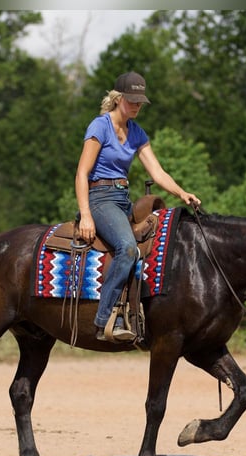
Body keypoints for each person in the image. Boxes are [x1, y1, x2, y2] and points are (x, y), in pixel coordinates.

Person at [75, 71, 201, 342]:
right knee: (128, 247)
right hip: (100, 199)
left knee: (160, 247)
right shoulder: (100, 126)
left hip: (123, 200)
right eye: (132, 100)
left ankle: (148, 316)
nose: (136, 106)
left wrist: (182, 193)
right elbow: (82, 173)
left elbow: (157, 172)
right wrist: (86, 214)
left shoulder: (137, 132)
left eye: (140, 101)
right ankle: (104, 318)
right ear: (118, 98)